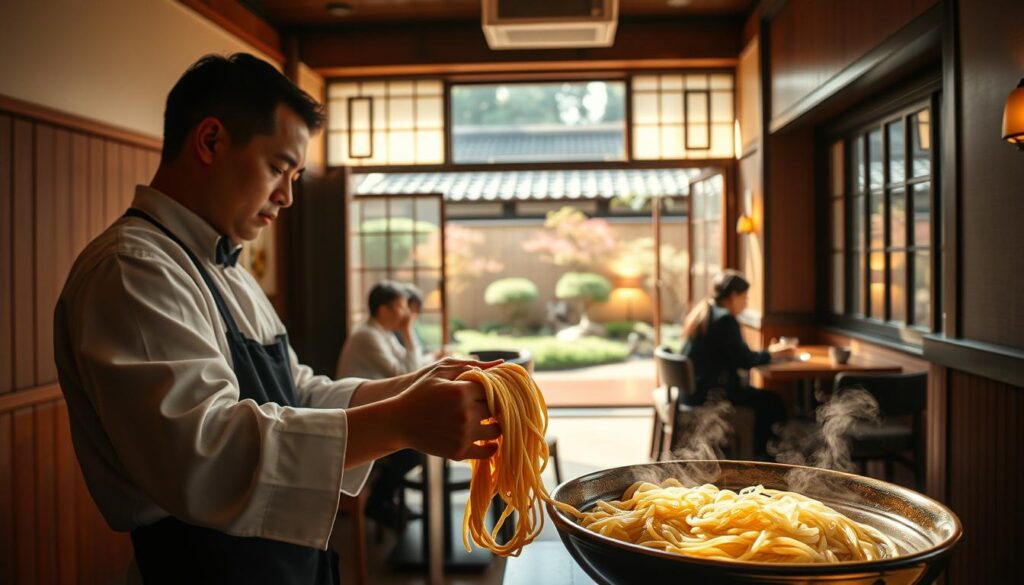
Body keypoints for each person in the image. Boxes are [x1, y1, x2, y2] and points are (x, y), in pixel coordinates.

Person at [53, 53, 500, 585]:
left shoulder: (228, 267)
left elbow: (297, 392)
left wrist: (412, 386)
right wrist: (401, 421)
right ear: (211, 141)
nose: (287, 195)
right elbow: (206, 457)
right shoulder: (133, 269)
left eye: (294, 174)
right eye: (278, 168)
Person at [680, 270, 793, 460]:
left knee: (766, 399)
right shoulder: (724, 319)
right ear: (734, 295)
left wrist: (767, 354)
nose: (746, 302)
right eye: (745, 297)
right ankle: (763, 457)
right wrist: (774, 353)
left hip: (694, 392)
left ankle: (759, 454)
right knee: (774, 403)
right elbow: (745, 360)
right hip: (712, 395)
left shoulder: (707, 311)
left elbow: (739, 356)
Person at [336, 281, 430, 380]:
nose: (407, 313)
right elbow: (406, 375)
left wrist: (436, 360)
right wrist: (407, 331)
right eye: (402, 307)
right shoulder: (367, 335)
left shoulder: (384, 332)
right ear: (384, 311)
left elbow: (409, 362)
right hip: (360, 394)